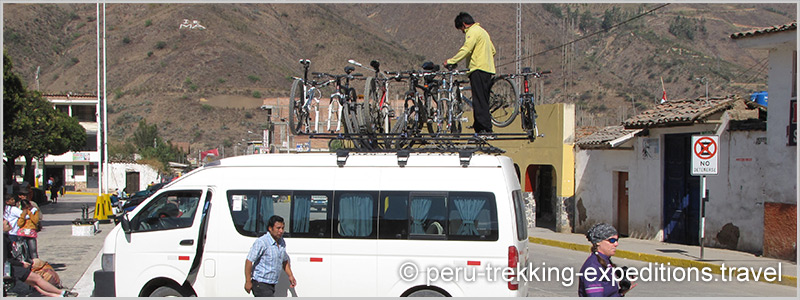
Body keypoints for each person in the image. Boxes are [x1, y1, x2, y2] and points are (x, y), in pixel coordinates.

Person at [444, 12, 497, 137]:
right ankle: (481, 126)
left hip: (477, 69)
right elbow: (493, 50)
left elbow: (466, 49)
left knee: (478, 100)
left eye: (461, 29)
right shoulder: (483, 32)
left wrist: (451, 61)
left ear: (464, 24)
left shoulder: (472, 32)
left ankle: (484, 129)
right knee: (483, 99)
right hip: (488, 69)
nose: (462, 32)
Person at [4, 220, 77, 297]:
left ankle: (59, 295)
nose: (10, 224)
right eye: (7, 224)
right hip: (12, 268)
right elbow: (5, 259)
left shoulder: (6, 237)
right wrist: (21, 264)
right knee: (37, 278)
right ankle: (61, 293)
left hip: (13, 266)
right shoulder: (3, 239)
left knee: (35, 283)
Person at [244, 215, 296, 297]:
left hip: (272, 284)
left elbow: (284, 261)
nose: (281, 231)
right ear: (270, 228)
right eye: (278, 228)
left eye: (282, 228)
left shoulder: (281, 242)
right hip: (260, 283)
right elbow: (249, 261)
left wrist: (290, 276)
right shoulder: (262, 242)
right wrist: (248, 281)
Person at [578, 223, 635, 297]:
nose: (616, 244)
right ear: (598, 242)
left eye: (617, 240)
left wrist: (621, 292)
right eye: (611, 240)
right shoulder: (592, 267)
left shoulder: (605, 261)